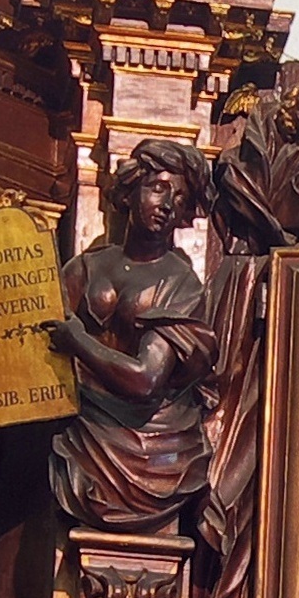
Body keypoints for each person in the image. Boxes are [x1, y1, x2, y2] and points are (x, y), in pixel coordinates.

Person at [45, 141, 218, 535]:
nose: (167, 204)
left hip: (156, 452)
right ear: (130, 189)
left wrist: (78, 342)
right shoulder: (86, 268)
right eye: (157, 188)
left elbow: (145, 380)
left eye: (179, 197)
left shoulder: (180, 283)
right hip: (85, 438)